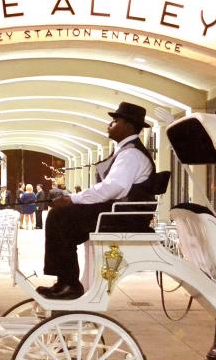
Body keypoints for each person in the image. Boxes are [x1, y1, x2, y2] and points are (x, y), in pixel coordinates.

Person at [37, 101, 159, 300]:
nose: (110, 124)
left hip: (125, 215)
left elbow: (113, 188)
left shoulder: (131, 154)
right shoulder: (126, 151)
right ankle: (65, 281)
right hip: (120, 211)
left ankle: (69, 284)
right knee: (62, 220)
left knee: (59, 217)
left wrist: (73, 199)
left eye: (115, 121)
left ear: (129, 126)